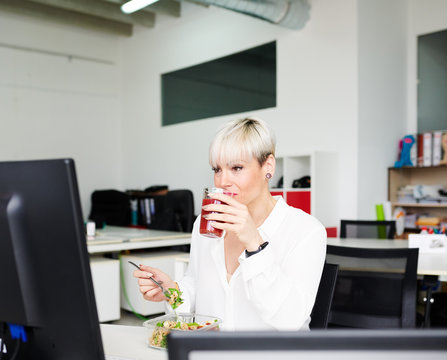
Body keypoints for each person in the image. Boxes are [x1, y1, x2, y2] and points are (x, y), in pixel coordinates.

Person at [133, 117, 326, 330]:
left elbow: (289, 320)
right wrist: (172, 292)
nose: (222, 181)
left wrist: (255, 244)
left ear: (268, 166)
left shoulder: (306, 231)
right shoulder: (206, 223)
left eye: (236, 168)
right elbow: (197, 288)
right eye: (217, 169)